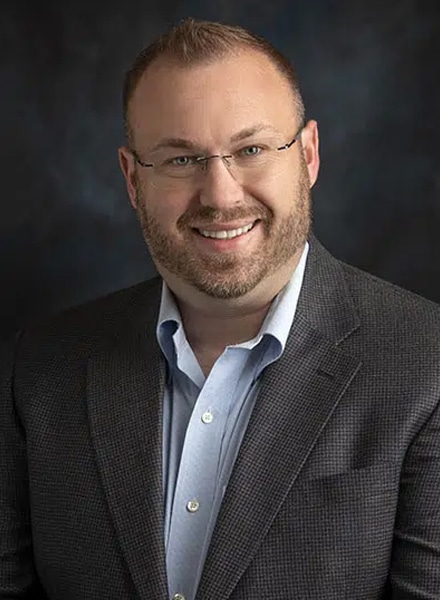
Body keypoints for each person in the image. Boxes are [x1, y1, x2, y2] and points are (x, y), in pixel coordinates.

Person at [1, 17, 440, 600]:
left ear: (307, 156)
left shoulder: (426, 365)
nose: (222, 196)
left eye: (252, 149)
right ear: (133, 180)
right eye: (181, 160)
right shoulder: (35, 369)